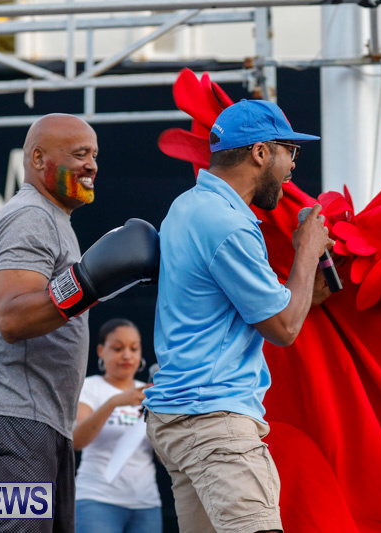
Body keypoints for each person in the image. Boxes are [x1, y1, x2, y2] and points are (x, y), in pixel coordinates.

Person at [0, 113, 159, 533]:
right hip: (10, 413)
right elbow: (13, 317)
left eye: (94, 155)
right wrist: (88, 281)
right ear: (38, 158)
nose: (91, 165)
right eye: (79, 154)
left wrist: (92, 286)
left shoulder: (53, 219)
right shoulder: (30, 215)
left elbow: (55, 303)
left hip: (38, 418)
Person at [144, 98, 334, 533]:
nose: (293, 165)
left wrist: (306, 286)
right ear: (261, 152)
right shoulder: (227, 224)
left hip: (182, 418)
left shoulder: (187, 206)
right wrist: (307, 252)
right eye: (290, 151)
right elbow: (284, 328)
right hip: (215, 424)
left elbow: (243, 308)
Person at [73, 318, 162, 533]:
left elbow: (164, 457)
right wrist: (114, 402)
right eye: (118, 348)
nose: (127, 355)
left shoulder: (149, 393)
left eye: (134, 348)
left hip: (146, 503)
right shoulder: (89, 387)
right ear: (101, 351)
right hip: (96, 499)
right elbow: (76, 440)